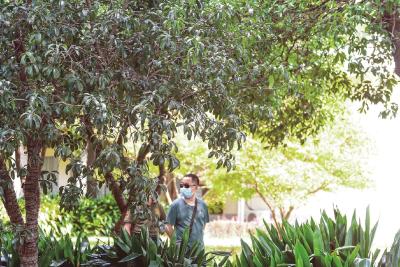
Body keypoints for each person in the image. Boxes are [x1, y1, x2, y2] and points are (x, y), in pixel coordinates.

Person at [166, 173, 209, 249]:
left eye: (186, 186)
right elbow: (168, 226)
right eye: (181, 186)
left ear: (196, 187)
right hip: (181, 252)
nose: (183, 188)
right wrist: (176, 242)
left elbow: (203, 225)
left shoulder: (203, 205)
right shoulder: (175, 205)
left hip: (199, 251)